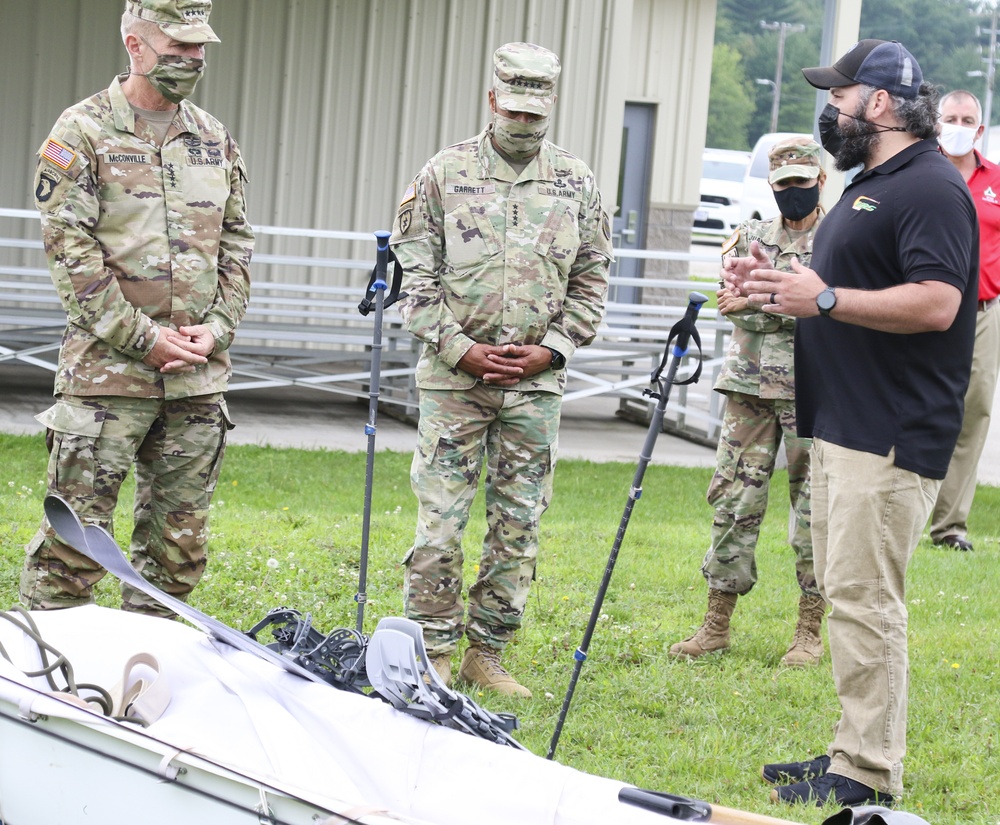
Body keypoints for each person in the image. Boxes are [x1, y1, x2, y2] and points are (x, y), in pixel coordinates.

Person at [725, 39, 978, 807]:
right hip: (845, 424)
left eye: (840, 95)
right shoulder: (873, 182)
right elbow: (831, 287)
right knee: (847, 592)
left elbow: (938, 302)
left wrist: (825, 301)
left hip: (890, 432)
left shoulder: (931, 187)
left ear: (879, 101)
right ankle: (850, 751)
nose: (830, 108)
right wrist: (772, 288)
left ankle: (869, 773)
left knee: (868, 600)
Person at [389, 42, 613, 698]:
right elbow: (417, 276)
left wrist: (555, 346)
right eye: (513, 112)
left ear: (550, 109)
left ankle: (486, 649)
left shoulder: (576, 181)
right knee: (441, 520)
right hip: (455, 382)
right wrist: (459, 348)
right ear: (493, 101)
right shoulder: (443, 173)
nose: (522, 125)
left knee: (519, 522)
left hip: (534, 386)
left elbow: (594, 274)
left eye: (534, 116)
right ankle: (430, 648)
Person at [21, 0, 253, 617]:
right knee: (73, 547)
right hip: (106, 381)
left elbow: (236, 242)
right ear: (135, 44)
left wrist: (218, 329)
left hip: (196, 384)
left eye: (200, 48)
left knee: (177, 554)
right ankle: (50, 685)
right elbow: (71, 255)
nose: (192, 59)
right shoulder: (82, 131)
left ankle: (150, 675)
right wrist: (144, 338)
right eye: (177, 46)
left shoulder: (212, 138)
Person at [669, 137, 826, 667]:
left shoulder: (841, 240)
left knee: (816, 510)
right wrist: (787, 302)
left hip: (815, 390)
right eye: (783, 185)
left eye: (802, 184)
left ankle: (809, 630)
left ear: (821, 180)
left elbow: (832, 310)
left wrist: (763, 300)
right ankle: (716, 624)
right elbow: (731, 302)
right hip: (749, 390)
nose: (793, 193)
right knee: (734, 501)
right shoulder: (750, 236)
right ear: (772, 187)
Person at [928, 89, 1000, 552]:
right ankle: (897, 509)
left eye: (966, 118)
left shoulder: (996, 180)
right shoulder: (920, 174)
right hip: (928, 311)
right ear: (936, 123)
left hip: (983, 312)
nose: (958, 124)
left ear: (980, 128)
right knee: (919, 406)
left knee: (972, 412)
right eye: (949, 117)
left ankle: (950, 526)